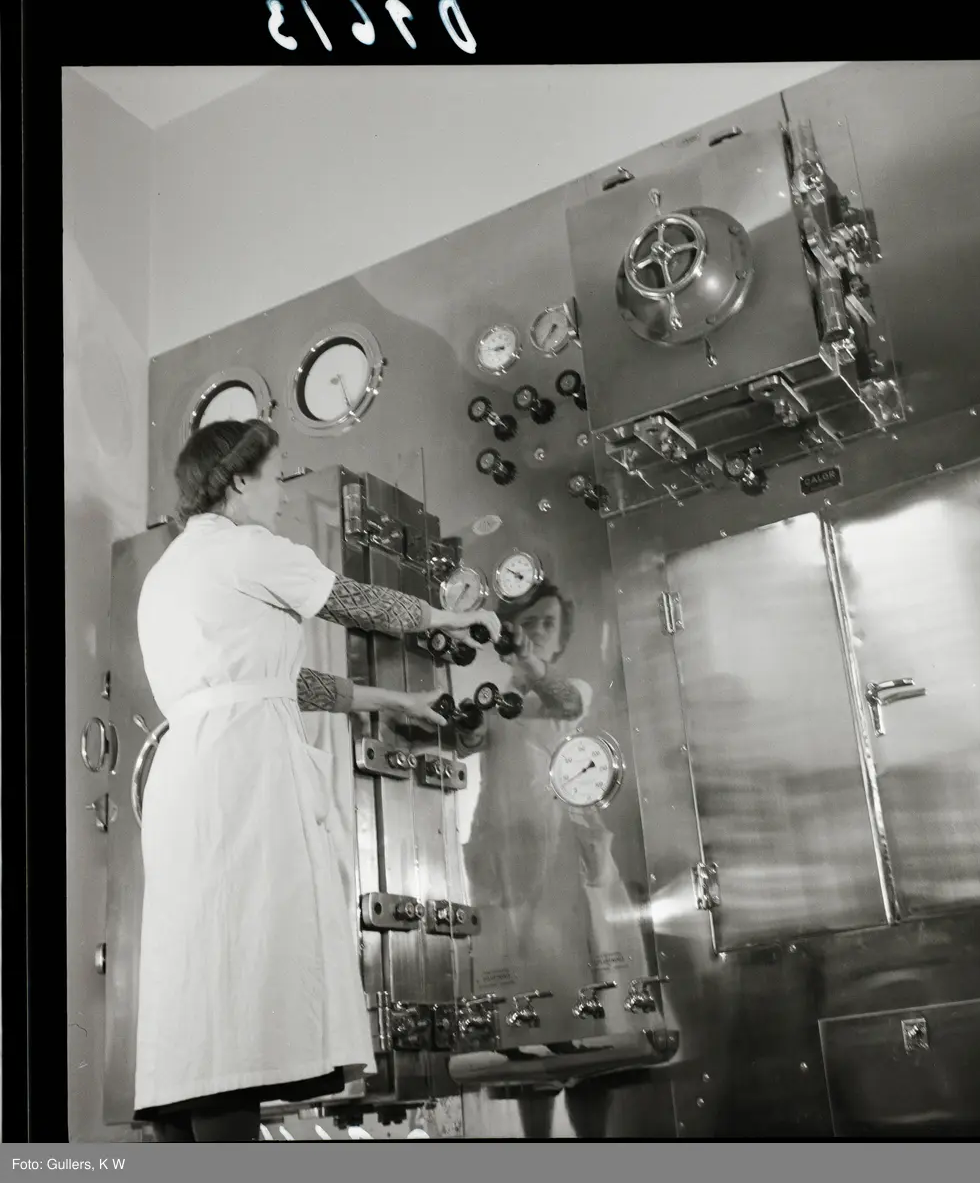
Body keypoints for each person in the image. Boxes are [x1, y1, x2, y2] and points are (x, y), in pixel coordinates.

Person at [132, 418, 500, 1142]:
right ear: (239, 480)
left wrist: (393, 701)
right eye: (275, 477)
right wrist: (445, 617)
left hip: (186, 782)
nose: (281, 494)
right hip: (244, 776)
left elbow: (280, 681)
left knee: (201, 996)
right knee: (247, 988)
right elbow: (354, 601)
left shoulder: (166, 574)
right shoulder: (247, 547)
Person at [461, 581, 641, 1139]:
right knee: (522, 1033)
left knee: (582, 1017)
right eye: (528, 621)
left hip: (563, 853)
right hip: (504, 854)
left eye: (547, 623)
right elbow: (465, 743)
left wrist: (530, 665)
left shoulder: (570, 691)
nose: (537, 631)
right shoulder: (490, 699)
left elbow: (563, 701)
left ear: (561, 638)